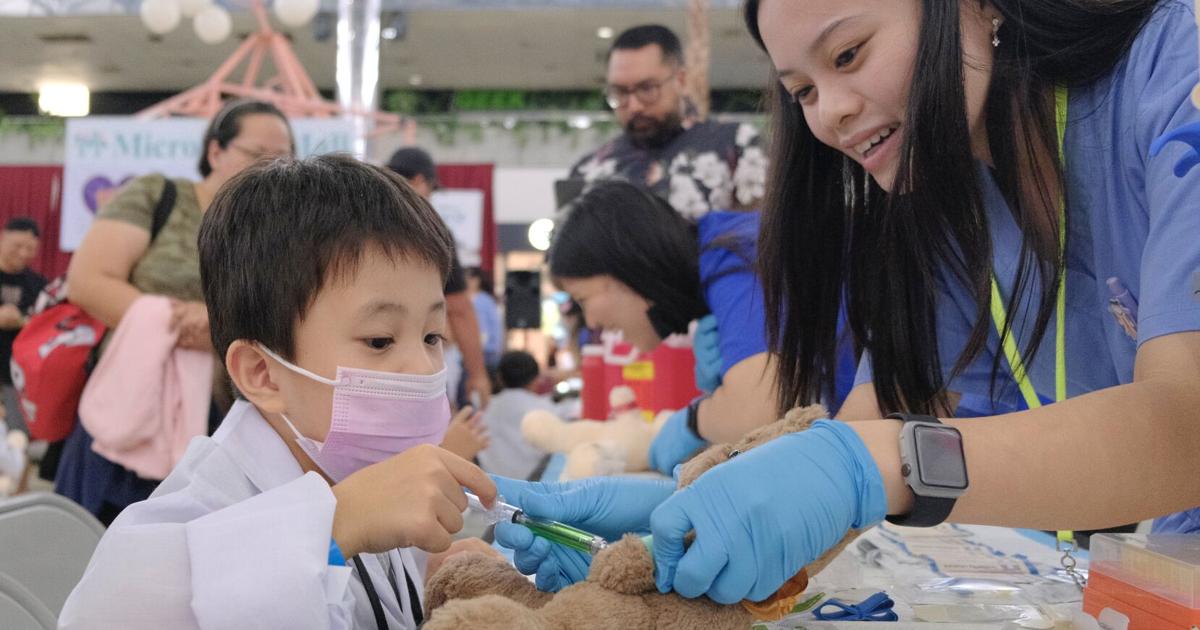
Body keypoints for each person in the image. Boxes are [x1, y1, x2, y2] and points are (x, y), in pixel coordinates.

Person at [494, 0, 1200, 606]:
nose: (831, 113)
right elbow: (876, 417)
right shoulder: (947, 204)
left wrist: (866, 468)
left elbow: (1186, 426)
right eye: (800, 90)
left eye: (850, 53)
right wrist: (690, 498)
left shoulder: (1176, 76)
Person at [59, 154, 500, 629]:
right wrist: (333, 525)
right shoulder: (177, 537)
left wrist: (429, 575)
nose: (421, 369)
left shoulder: (350, 475)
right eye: (379, 340)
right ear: (263, 374)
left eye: (433, 337)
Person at [56, 99, 294, 524]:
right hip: (131, 406)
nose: (269, 168)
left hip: (228, 421)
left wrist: (217, 327)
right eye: (256, 155)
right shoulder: (159, 195)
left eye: (282, 159)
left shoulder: (283, 235)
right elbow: (89, 280)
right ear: (215, 152)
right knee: (95, 547)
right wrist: (182, 323)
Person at [547, 180, 855, 475]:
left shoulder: (734, 255)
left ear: (624, 269)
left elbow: (758, 411)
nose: (591, 323)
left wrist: (693, 421)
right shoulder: (724, 251)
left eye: (582, 298)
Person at [570, 24, 767, 219]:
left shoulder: (739, 145)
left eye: (647, 88)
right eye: (620, 92)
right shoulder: (589, 169)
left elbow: (763, 236)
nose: (634, 106)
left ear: (681, 80)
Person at [386, 147, 493, 410]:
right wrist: (478, 374)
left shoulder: (358, 226)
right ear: (421, 182)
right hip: (418, 364)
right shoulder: (430, 231)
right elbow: (458, 309)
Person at [0, 217, 47, 435]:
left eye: (30, 248)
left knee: (16, 439)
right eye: (17, 246)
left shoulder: (39, 285)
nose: (23, 253)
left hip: (17, 378)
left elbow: (48, 327)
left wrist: (21, 321)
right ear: (3, 238)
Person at [477, 350, 554, 481]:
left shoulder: (484, 409)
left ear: (500, 378)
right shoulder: (544, 408)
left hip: (490, 484)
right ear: (536, 379)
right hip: (532, 484)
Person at [466, 266, 503, 376]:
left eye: (470, 278)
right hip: (477, 348)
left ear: (478, 280)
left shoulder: (483, 300)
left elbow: (489, 328)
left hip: (485, 350)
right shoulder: (467, 299)